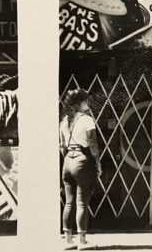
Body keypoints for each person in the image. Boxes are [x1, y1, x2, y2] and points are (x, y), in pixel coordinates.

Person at [59, 89, 101, 250]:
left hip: (68, 161)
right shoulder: (87, 120)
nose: (88, 103)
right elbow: (93, 143)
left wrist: (68, 158)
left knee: (69, 202)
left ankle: (68, 240)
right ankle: (82, 241)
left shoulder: (64, 121)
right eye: (86, 101)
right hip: (82, 160)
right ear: (80, 103)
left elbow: (62, 145)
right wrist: (97, 162)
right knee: (82, 203)